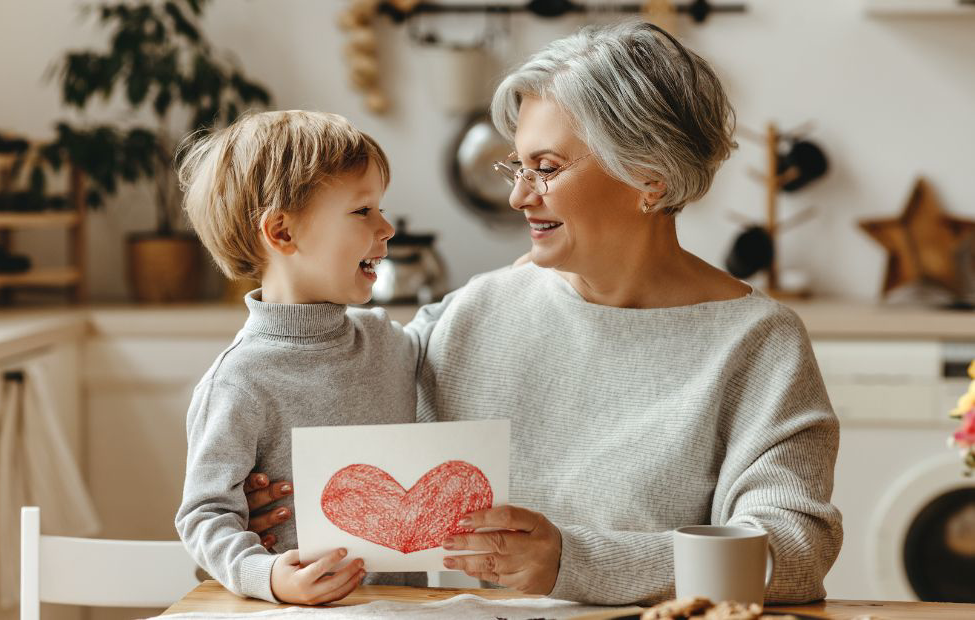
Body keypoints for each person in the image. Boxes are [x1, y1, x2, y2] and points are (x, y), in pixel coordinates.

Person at [242, 21, 842, 606]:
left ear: (650, 179)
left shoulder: (758, 344)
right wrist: (282, 500)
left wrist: (573, 562)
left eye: (547, 169)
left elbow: (793, 554)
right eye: (518, 166)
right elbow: (352, 425)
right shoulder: (479, 309)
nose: (518, 196)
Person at [173, 110, 425, 605]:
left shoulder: (388, 341)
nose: (388, 227)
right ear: (282, 233)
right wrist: (267, 576)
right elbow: (204, 515)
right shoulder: (238, 380)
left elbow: (458, 320)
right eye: (362, 211)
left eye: (380, 208)